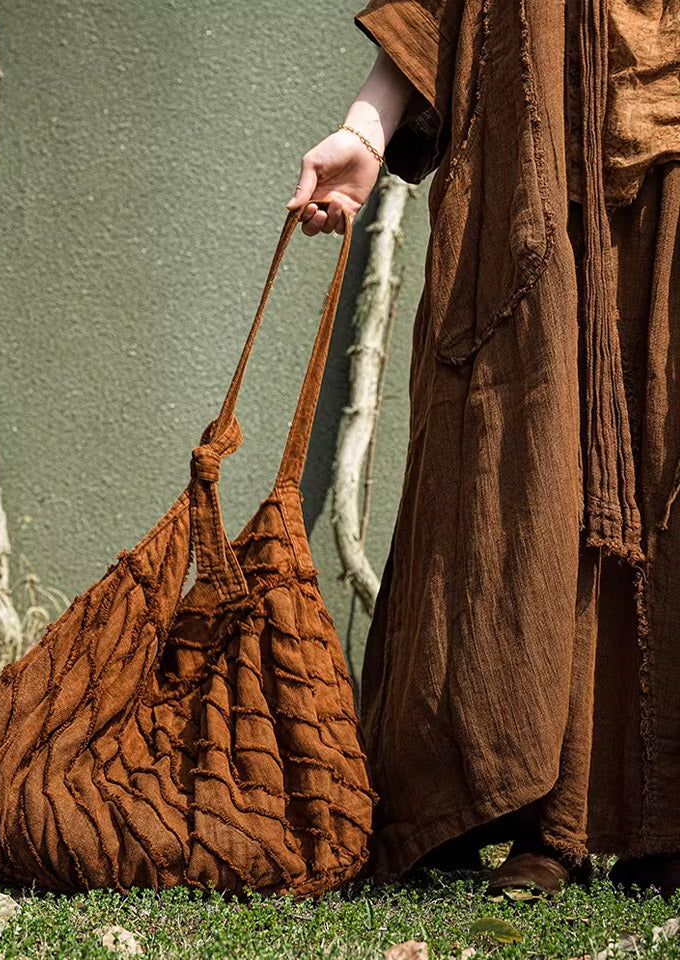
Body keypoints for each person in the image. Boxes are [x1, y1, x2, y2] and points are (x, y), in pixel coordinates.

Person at [287, 0, 680, 898]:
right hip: (527, 172)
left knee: (667, 463)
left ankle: (665, 821)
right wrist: (365, 130)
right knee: (521, 476)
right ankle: (543, 820)